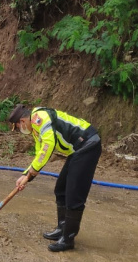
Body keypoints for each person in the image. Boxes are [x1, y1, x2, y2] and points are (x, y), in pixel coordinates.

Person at [8, 104, 102, 252]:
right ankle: (62, 228)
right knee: (61, 189)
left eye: (18, 126)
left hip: (88, 144)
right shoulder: (35, 129)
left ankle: (68, 239)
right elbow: (40, 154)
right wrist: (26, 175)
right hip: (77, 149)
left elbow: (48, 147)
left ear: (23, 121)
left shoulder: (40, 119)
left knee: (73, 192)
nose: (20, 129)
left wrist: (30, 174)